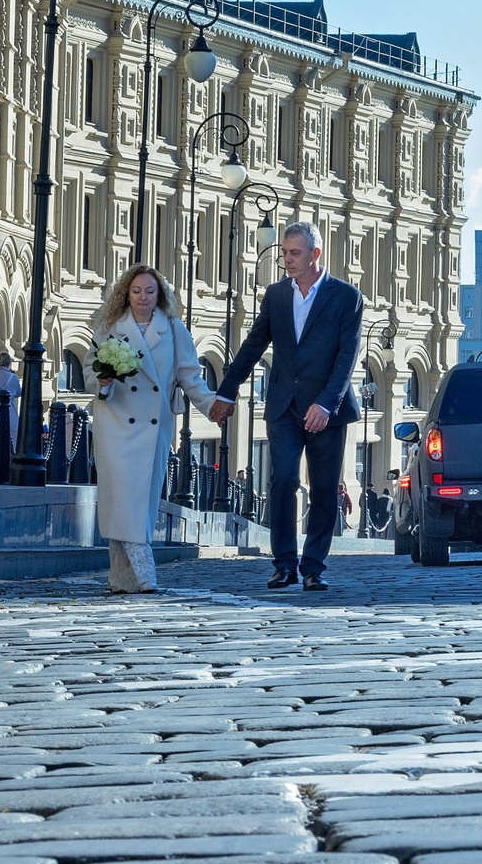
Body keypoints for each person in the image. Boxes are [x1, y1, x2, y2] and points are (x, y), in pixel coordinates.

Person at [212, 220, 362, 591]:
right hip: (283, 405)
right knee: (283, 481)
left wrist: (326, 404)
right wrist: (227, 391)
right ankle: (283, 564)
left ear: (316, 254)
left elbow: (347, 358)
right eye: (283, 253)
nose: (287, 260)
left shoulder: (346, 296)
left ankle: (313, 567)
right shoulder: (276, 295)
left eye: (294, 253)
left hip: (327, 410)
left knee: (324, 488)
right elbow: (253, 344)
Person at [92, 264, 218, 594]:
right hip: (115, 422)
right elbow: (93, 376)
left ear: (159, 294)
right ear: (126, 294)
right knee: (123, 495)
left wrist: (212, 404)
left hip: (153, 427)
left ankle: (120, 577)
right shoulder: (109, 328)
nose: (143, 297)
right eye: (136, 291)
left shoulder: (174, 330)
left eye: (149, 291)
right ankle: (143, 572)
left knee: (138, 498)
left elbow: (190, 376)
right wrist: (104, 381)